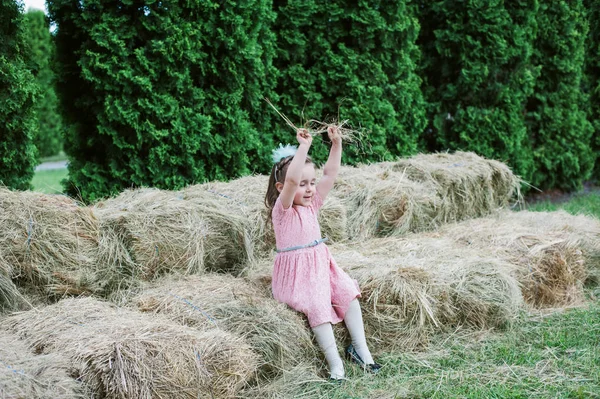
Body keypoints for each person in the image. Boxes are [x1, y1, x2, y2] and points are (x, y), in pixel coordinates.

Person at [264, 126, 381, 380]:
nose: (308, 189)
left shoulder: (312, 204)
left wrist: (336, 144)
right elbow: (293, 180)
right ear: (282, 186)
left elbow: (330, 174)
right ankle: (335, 364)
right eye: (302, 184)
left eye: (311, 183)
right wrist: (303, 147)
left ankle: (361, 351)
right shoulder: (282, 210)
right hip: (296, 277)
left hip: (320, 266)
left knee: (348, 291)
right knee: (317, 303)